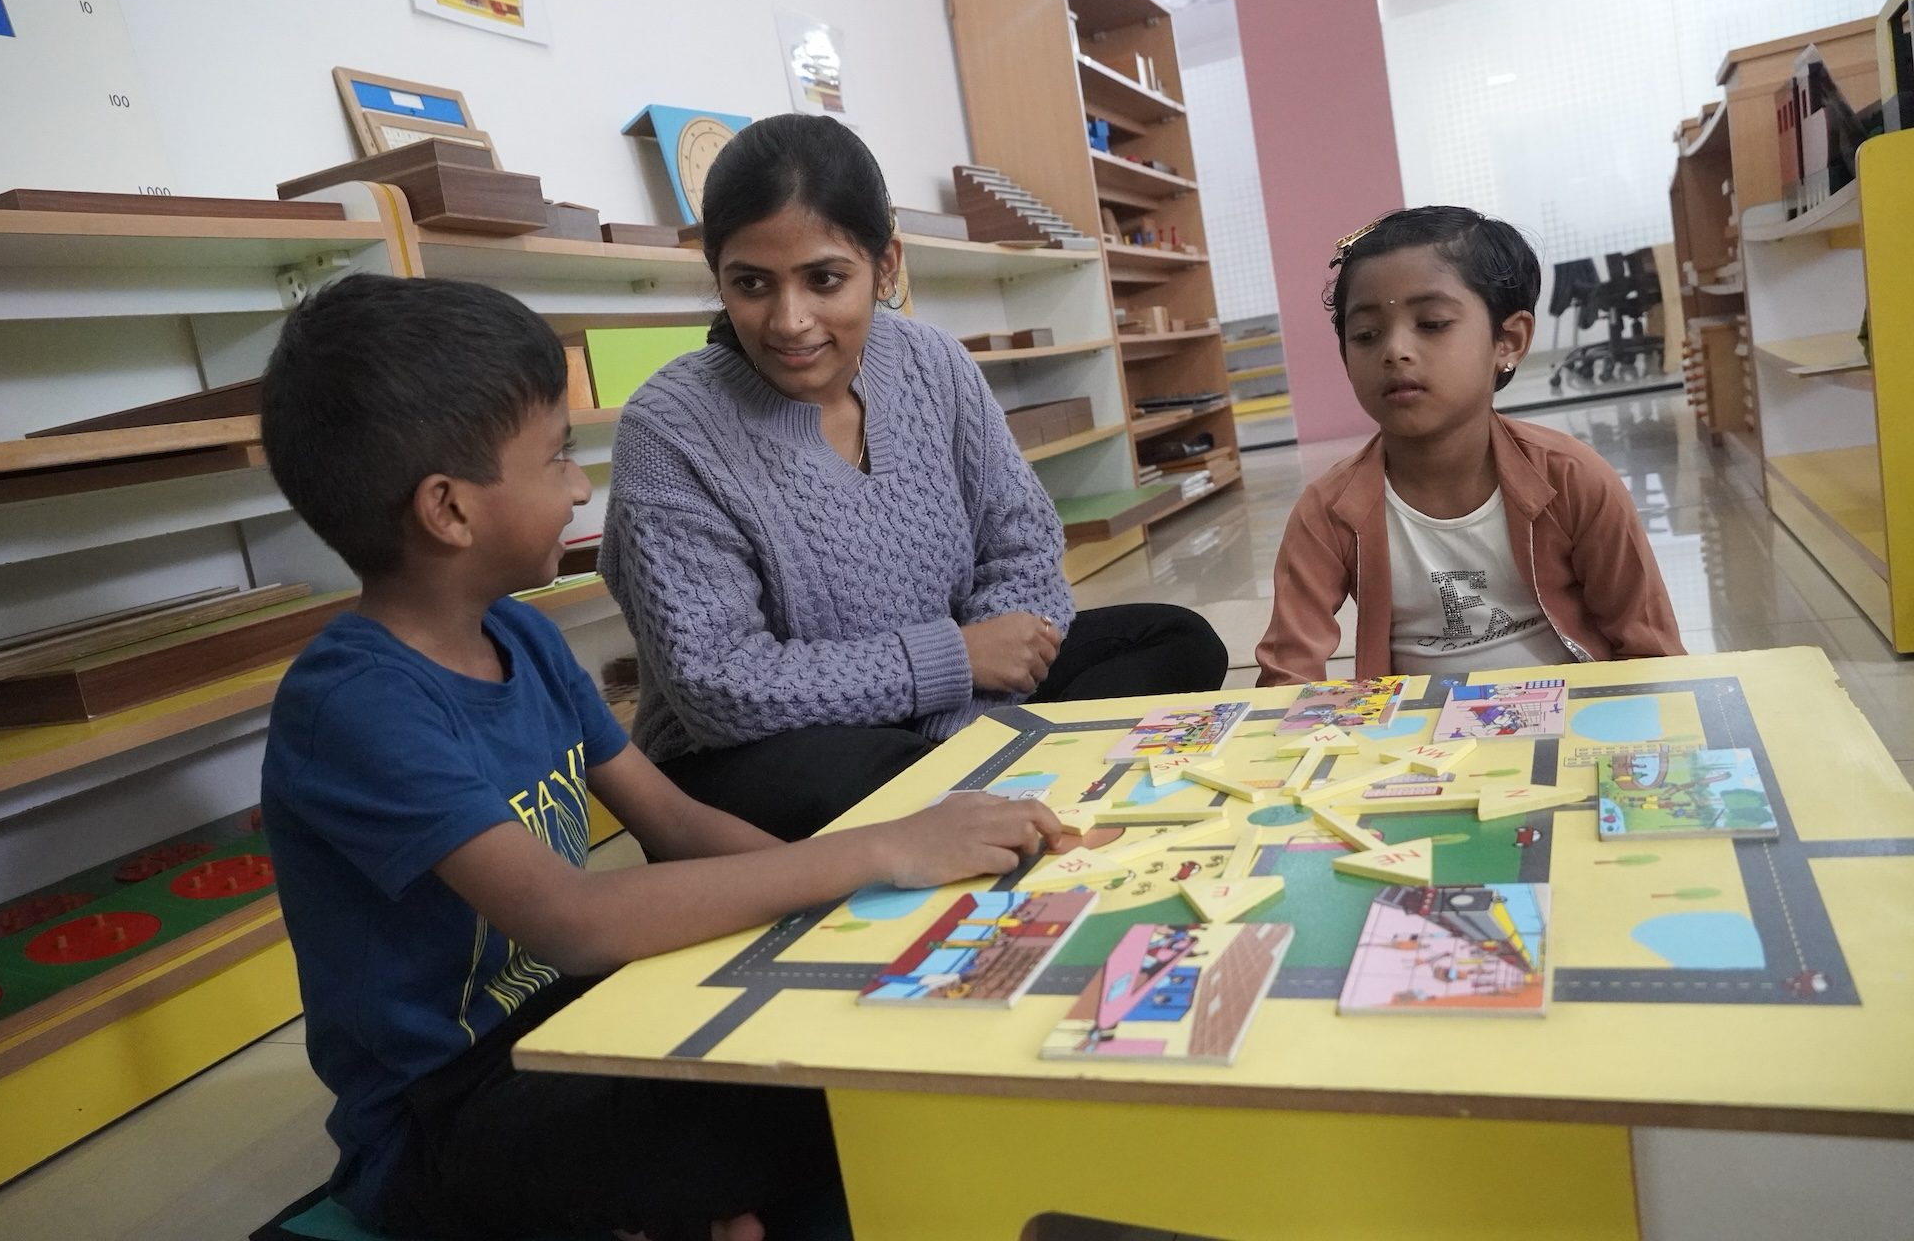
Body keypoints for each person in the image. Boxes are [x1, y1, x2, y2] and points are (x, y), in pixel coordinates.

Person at [258, 272, 1065, 1241]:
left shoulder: (522, 638)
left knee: (867, 1036)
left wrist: (865, 915)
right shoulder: (355, 704)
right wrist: (881, 849)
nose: (579, 485)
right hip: (447, 1113)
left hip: (579, 1020)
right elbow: (573, 920)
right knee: (838, 1094)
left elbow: (675, 821)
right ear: (449, 509)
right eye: (557, 456)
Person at [601, 113, 1226, 841]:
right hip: (755, 750)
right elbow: (719, 686)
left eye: (825, 279)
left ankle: (968, 789)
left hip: (954, 703)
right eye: (751, 284)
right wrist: (953, 661)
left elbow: (1023, 546)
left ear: (886, 265)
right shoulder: (667, 431)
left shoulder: (932, 363)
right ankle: (1002, 786)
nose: (790, 320)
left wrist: (963, 711)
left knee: (1176, 638)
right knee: (863, 774)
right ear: (718, 278)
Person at [1255, 206, 1683, 685]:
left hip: (1572, 714)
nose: (1395, 351)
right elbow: (1287, 676)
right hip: (1414, 727)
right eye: (1366, 335)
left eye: (1432, 323)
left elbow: (1650, 650)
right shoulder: (1327, 511)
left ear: (1509, 341)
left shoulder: (1571, 479)